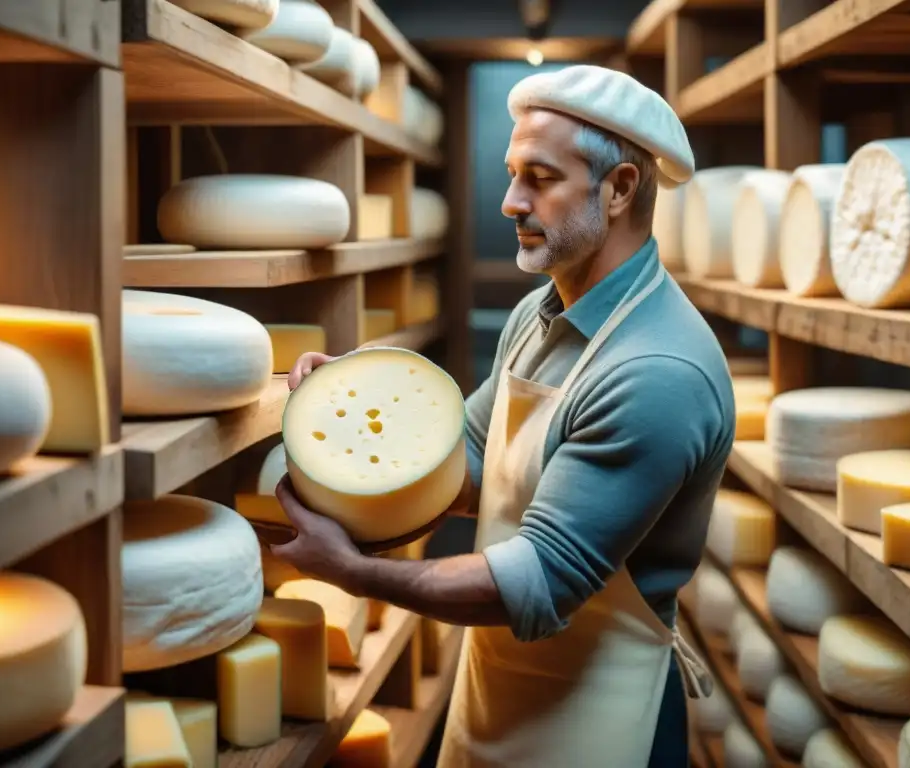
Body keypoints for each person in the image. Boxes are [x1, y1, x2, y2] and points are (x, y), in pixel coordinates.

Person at [274, 64, 736, 767]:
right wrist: (349, 407)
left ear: (618, 190)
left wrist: (356, 573)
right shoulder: (538, 312)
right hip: (500, 690)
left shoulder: (657, 372)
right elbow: (473, 467)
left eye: (541, 179)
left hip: (602, 720)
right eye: (512, 172)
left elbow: (538, 583)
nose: (510, 202)